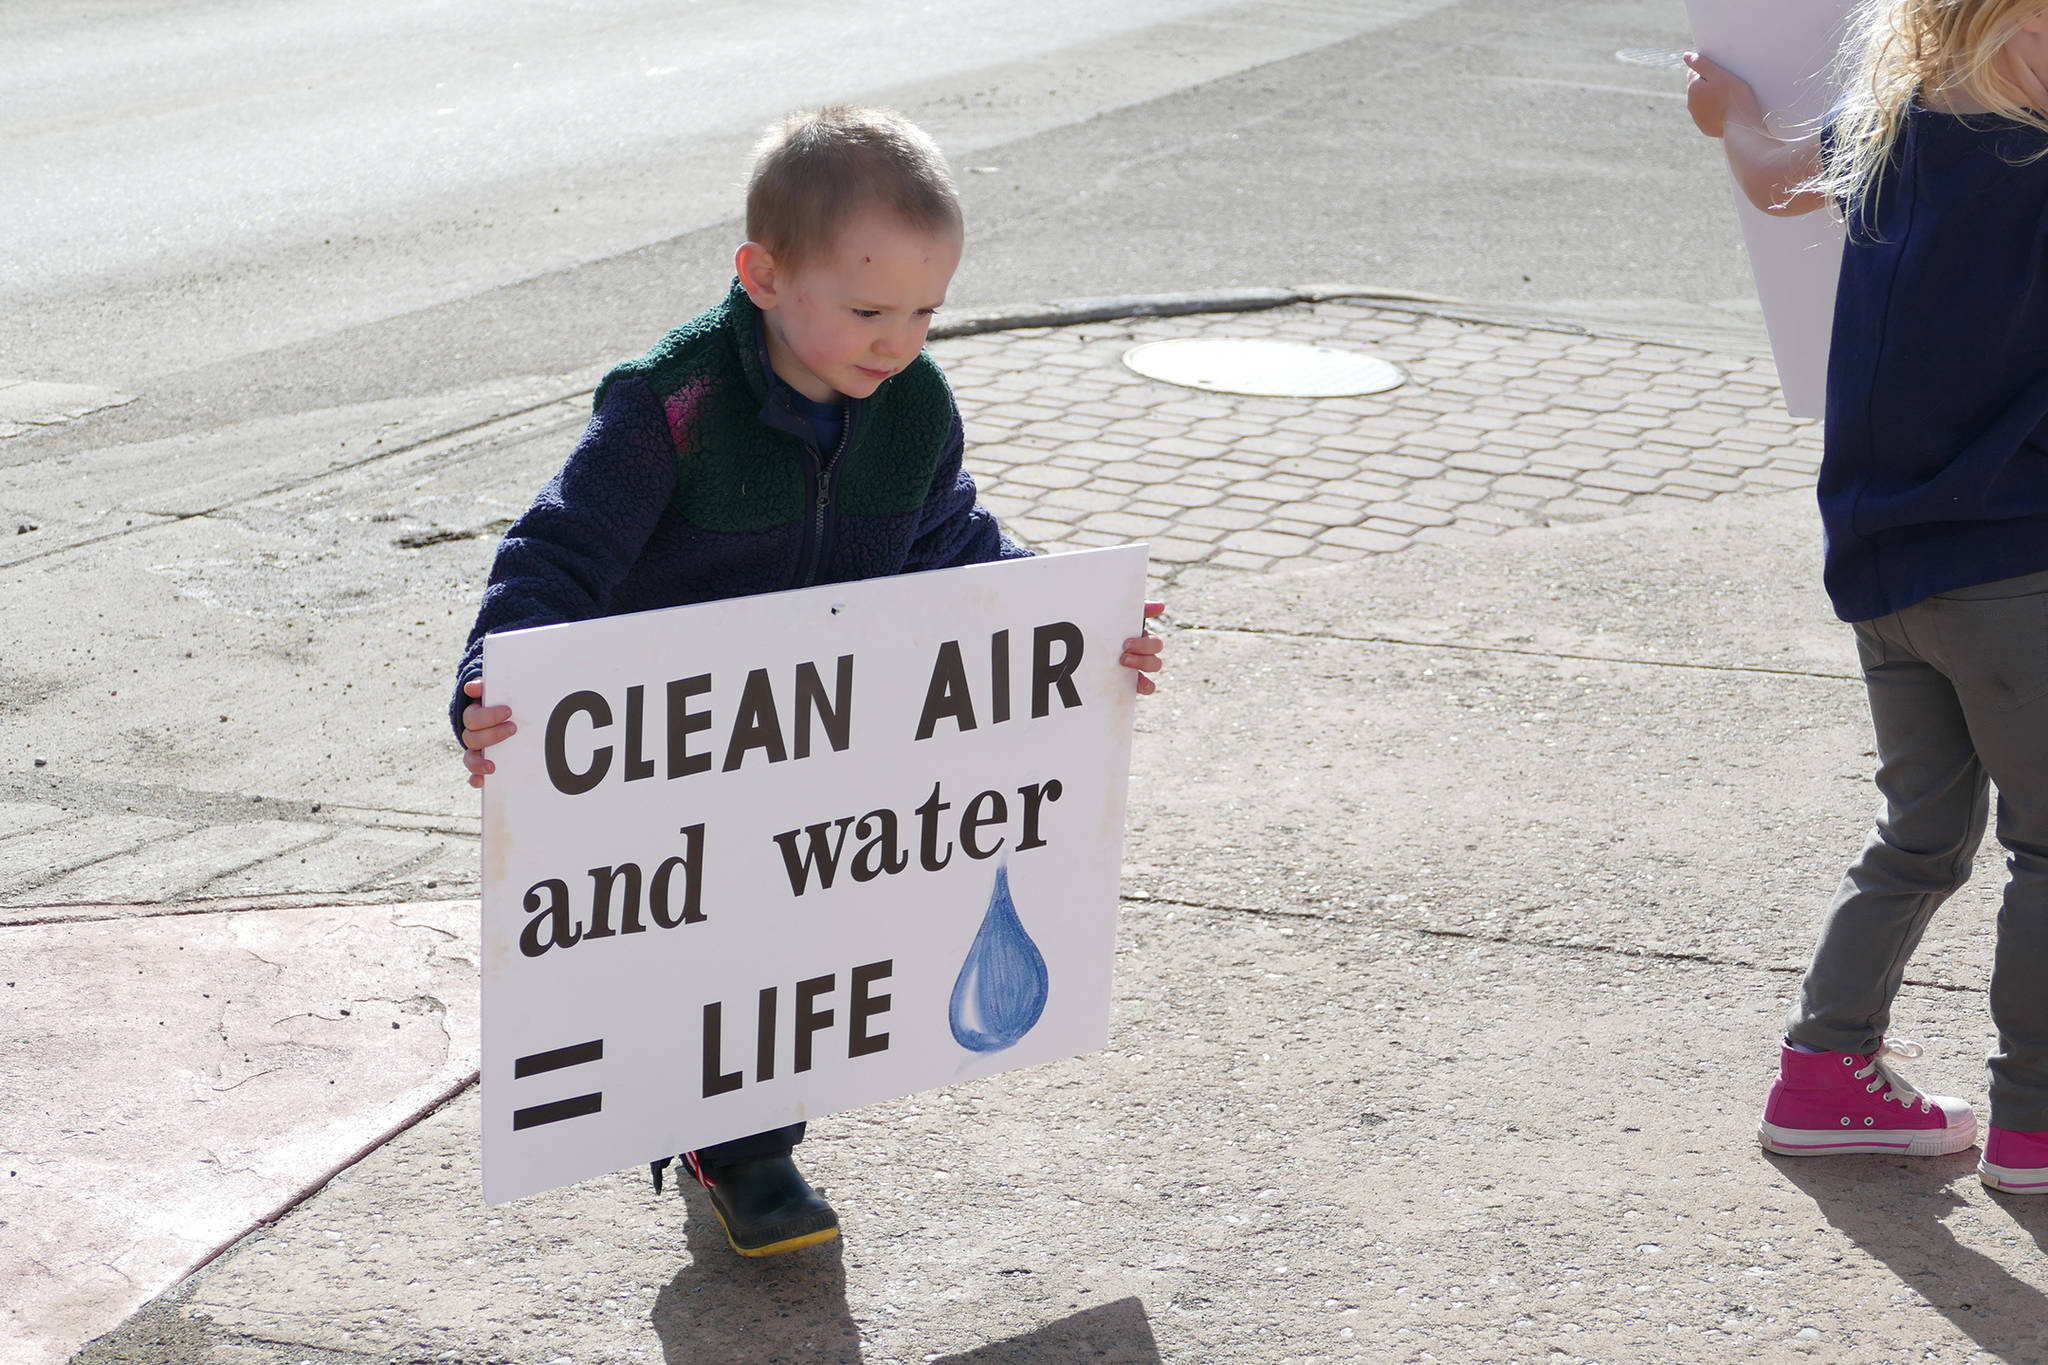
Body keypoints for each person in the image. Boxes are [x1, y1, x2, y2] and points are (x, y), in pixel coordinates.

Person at [450, 105, 1168, 1253]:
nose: (899, 342)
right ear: (765, 274)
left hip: (831, 746)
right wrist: (497, 682)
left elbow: (952, 546)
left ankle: (738, 1121)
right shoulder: (670, 407)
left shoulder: (913, 409)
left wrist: (1069, 627)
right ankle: (741, 1147)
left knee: (792, 938)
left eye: (927, 312)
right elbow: (555, 553)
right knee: (701, 940)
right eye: (870, 310)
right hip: (677, 759)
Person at [1686, 0, 2048, 1196]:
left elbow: (1773, 180)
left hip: (1886, 561)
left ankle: (1822, 1075)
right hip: (2014, 566)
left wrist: (1729, 111)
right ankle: (2033, 1124)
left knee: (1921, 834)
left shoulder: (1884, 122)